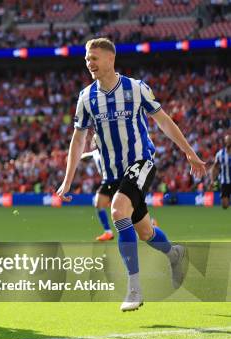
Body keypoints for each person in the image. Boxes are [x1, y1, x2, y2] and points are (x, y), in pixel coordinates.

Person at [57, 38, 207, 312]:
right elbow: (78, 140)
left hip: (141, 162)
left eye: (94, 58)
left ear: (110, 59)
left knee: (117, 210)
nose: (89, 63)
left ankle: (134, 290)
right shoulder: (86, 97)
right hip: (115, 174)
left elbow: (163, 121)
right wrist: (67, 180)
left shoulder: (136, 88)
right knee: (145, 231)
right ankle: (175, 254)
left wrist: (188, 151)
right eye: (87, 59)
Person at [81, 136, 115, 241]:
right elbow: (84, 156)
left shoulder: (110, 150)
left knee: (125, 209)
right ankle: (108, 232)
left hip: (116, 179)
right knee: (98, 203)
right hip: (108, 181)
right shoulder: (95, 153)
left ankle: (150, 223)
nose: (93, 142)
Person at [211, 134, 231, 210]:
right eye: (227, 140)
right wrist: (212, 180)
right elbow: (214, 167)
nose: (228, 142)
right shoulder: (220, 154)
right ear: (224, 142)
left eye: (229, 140)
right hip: (224, 182)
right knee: (224, 205)